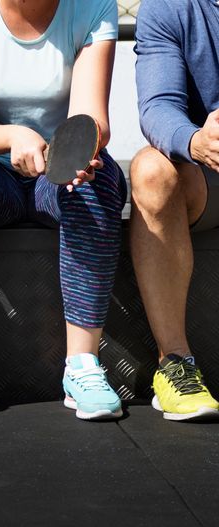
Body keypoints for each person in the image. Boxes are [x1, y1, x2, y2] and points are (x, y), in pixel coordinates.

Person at [0, 0, 126, 421]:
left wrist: (79, 156)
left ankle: (82, 366)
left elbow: (92, 119)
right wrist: (13, 136)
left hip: (55, 176)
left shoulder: (94, 6)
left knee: (101, 178)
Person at [127, 0, 219, 421]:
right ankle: (176, 364)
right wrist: (197, 142)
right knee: (151, 171)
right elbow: (158, 107)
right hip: (208, 176)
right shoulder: (168, 7)